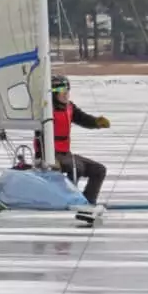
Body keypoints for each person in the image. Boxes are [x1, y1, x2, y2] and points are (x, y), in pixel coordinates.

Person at [35, 75, 110, 204]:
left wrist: (97, 122)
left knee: (99, 170)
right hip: (48, 155)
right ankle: (63, 199)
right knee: (77, 168)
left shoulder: (69, 107)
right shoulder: (45, 110)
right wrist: (45, 158)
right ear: (53, 94)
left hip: (65, 154)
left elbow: (83, 118)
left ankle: (87, 202)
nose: (66, 95)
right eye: (62, 92)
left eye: (67, 91)